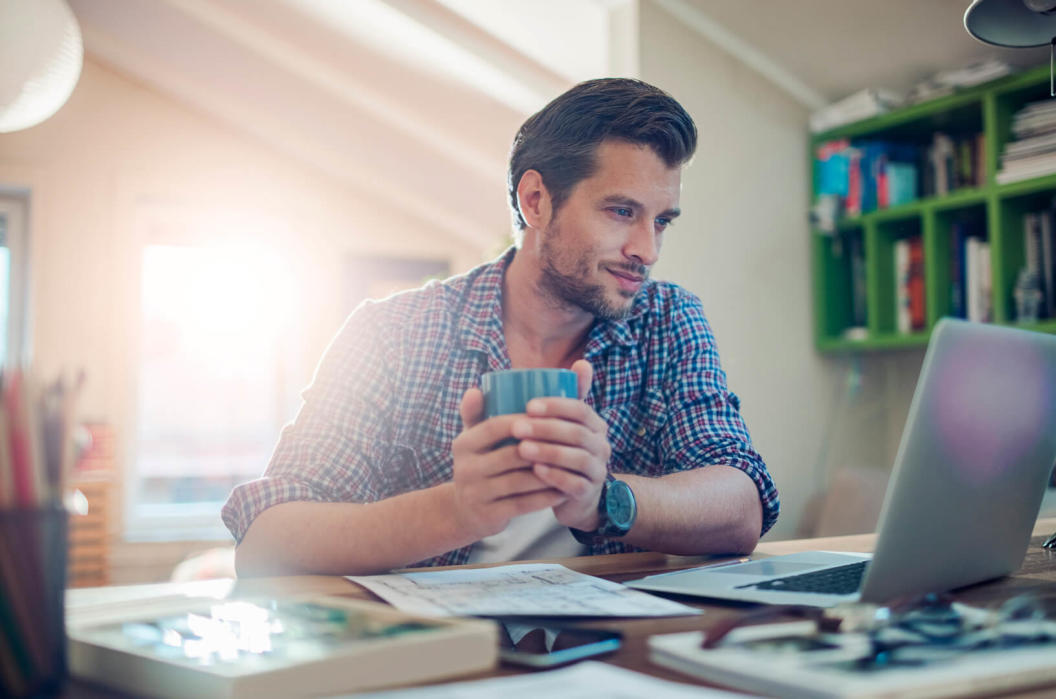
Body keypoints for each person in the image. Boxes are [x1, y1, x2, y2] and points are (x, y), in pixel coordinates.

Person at [223, 78, 779, 576]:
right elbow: (267, 542)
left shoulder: (668, 320)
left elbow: (740, 506)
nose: (647, 249)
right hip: (437, 654)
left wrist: (605, 501)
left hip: (610, 649)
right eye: (621, 212)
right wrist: (457, 511)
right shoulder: (390, 333)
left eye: (661, 221)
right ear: (536, 200)